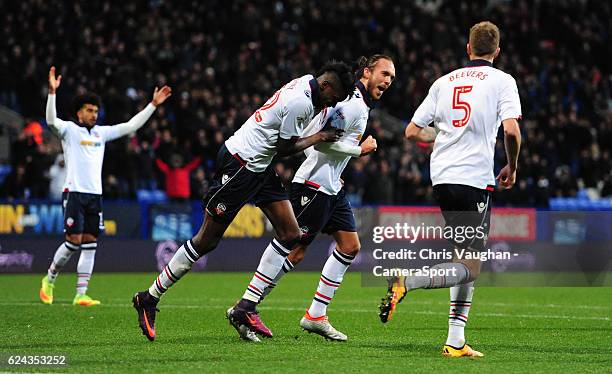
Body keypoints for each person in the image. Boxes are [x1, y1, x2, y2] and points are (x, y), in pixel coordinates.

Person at [132, 61, 355, 342]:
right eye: (333, 98)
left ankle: (245, 308)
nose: (331, 104)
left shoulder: (308, 84)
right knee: (207, 240)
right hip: (240, 164)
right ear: (325, 86)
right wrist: (320, 136)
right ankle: (148, 298)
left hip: (260, 167)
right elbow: (285, 148)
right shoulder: (301, 101)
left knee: (290, 234)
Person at [378, 21, 522, 357]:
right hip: (473, 179)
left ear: (468, 49)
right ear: (496, 51)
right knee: (470, 266)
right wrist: (512, 167)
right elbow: (512, 131)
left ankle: (455, 339)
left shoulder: (444, 82)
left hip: (442, 177)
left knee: (465, 260)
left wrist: (441, 138)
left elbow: (413, 131)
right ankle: (406, 282)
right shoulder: (503, 81)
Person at [230, 55, 395, 342]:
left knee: (349, 245)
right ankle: (246, 306)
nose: (388, 81)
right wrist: (359, 151)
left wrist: (337, 169)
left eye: (392, 77)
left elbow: (320, 139)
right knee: (293, 248)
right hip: (312, 186)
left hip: (331, 187)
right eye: (384, 74)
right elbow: (314, 138)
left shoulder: (358, 104)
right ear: (366, 72)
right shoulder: (351, 104)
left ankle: (316, 315)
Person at [39, 66, 172, 306]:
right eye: (89, 110)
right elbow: (50, 122)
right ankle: (49, 280)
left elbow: (130, 126)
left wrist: (152, 105)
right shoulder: (69, 131)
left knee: (90, 243)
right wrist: (52, 93)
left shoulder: (101, 133)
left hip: (95, 196)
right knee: (73, 242)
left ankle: (81, 293)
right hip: (74, 193)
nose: (93, 114)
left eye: (96, 110)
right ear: (78, 113)